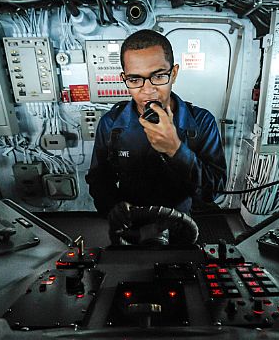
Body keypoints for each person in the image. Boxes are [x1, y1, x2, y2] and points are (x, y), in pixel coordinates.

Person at [86, 29, 226, 219]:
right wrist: (114, 210)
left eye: (158, 76)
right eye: (135, 79)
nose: (148, 89)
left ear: (174, 73)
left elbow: (214, 191)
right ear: (124, 79)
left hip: (182, 222)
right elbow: (99, 180)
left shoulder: (201, 122)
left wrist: (176, 150)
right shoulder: (111, 124)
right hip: (131, 223)